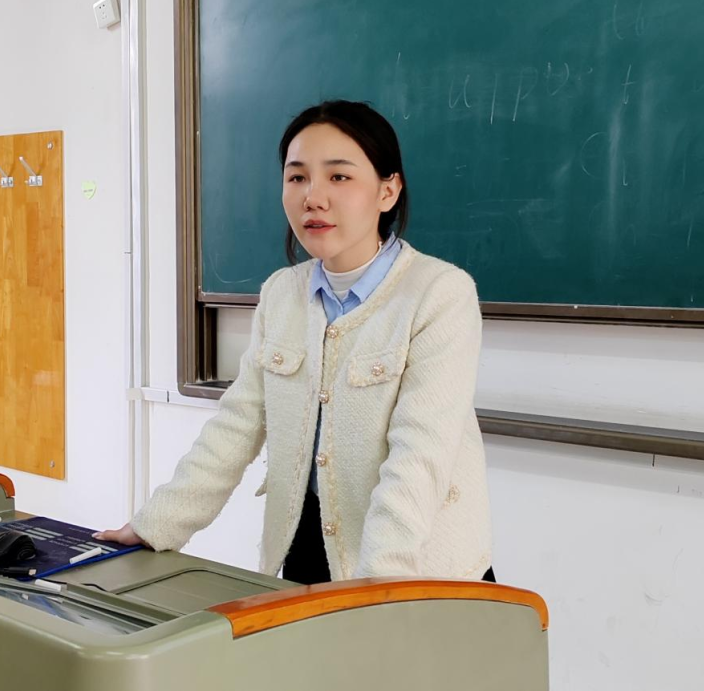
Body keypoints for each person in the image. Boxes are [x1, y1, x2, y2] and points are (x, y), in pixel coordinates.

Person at [95, 99, 493, 584]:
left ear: (388, 191)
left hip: (416, 571)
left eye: (339, 176)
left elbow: (419, 455)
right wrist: (155, 525)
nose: (313, 197)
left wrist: (379, 586)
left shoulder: (439, 293)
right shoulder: (281, 294)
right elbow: (236, 427)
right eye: (297, 177)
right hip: (307, 550)